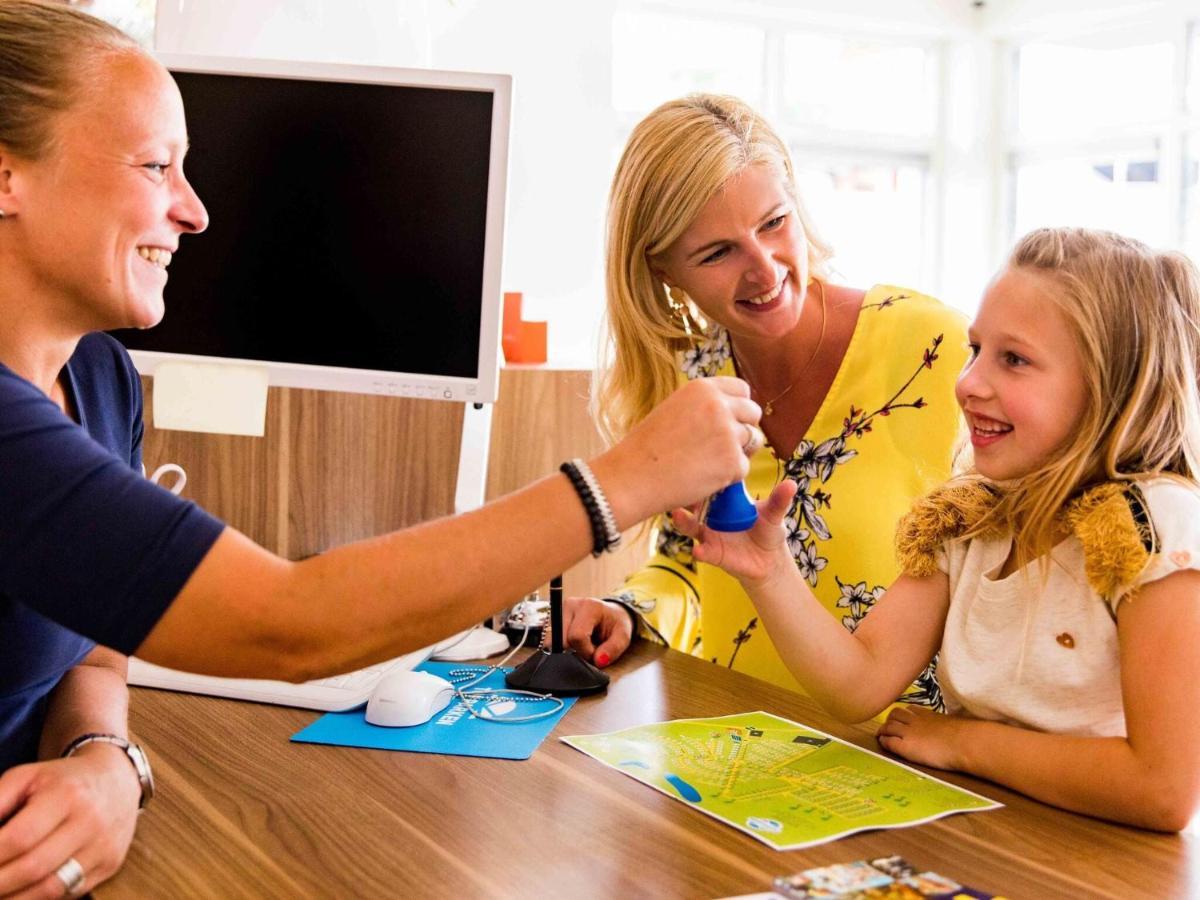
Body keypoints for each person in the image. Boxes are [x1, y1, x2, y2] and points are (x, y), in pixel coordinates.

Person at [0, 2, 763, 895]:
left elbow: (98, 640)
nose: (194, 210)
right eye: (155, 165)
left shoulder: (98, 377)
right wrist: (624, 480)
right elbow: (290, 622)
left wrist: (104, 759)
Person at [673, 226, 1200, 831]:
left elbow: (1165, 788)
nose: (969, 382)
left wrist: (961, 743)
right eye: (977, 349)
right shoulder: (972, 519)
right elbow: (860, 684)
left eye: (1015, 359)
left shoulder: (1154, 527)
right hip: (987, 844)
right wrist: (769, 571)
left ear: (1110, 388)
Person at [559, 94, 968, 702]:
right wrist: (628, 612)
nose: (765, 269)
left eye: (774, 223)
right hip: (733, 745)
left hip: (903, 762)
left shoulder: (934, 350)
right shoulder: (690, 379)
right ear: (665, 271)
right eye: (718, 252)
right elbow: (687, 559)